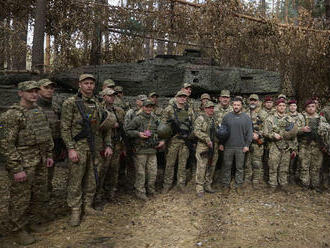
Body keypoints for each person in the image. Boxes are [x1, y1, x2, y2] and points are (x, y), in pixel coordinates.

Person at [3, 81, 54, 245]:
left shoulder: (38, 111)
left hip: (40, 159)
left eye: (35, 91)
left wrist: (49, 154)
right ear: (20, 93)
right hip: (23, 163)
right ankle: (17, 229)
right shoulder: (11, 115)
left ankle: (32, 222)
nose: (34, 94)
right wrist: (17, 168)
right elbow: (6, 144)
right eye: (29, 91)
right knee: (20, 198)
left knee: (38, 193)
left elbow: (46, 135)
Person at [61, 74, 113, 227]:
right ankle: (76, 210)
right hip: (79, 147)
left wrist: (108, 145)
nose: (89, 86)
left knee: (93, 178)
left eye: (91, 83)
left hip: (95, 148)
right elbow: (65, 128)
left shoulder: (97, 104)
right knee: (76, 180)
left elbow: (106, 127)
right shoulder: (71, 103)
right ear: (80, 85)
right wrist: (70, 148)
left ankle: (87, 205)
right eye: (86, 83)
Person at [126, 100, 165, 200]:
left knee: (153, 172)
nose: (149, 109)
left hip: (152, 150)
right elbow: (127, 130)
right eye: (147, 107)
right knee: (141, 173)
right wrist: (138, 134)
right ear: (143, 107)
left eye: (150, 107)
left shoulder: (155, 119)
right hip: (140, 150)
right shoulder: (137, 119)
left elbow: (162, 130)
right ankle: (140, 191)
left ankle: (151, 190)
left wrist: (163, 140)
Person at [161, 90, 194, 193]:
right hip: (173, 141)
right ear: (176, 97)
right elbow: (163, 126)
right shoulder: (169, 110)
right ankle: (167, 185)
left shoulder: (189, 110)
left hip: (185, 141)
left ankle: (181, 184)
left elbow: (192, 125)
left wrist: (191, 138)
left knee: (182, 164)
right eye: (180, 96)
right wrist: (164, 139)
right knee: (170, 164)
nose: (183, 98)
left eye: (184, 97)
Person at [219, 97, 253, 195]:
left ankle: (239, 185)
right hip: (228, 146)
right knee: (226, 167)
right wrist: (221, 143)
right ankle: (226, 185)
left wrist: (247, 145)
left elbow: (250, 133)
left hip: (241, 147)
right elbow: (222, 132)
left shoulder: (246, 118)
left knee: (239, 167)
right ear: (232, 105)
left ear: (241, 106)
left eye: (238, 105)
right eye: (234, 105)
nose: (236, 107)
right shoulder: (226, 117)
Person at [263, 99, 298, 193]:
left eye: (283, 105)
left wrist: (294, 148)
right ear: (276, 107)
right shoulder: (270, 118)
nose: (282, 107)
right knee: (273, 166)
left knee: (284, 167)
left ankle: (283, 184)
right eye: (280, 105)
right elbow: (265, 132)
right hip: (274, 146)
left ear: (285, 107)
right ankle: (272, 185)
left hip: (287, 146)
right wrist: (273, 135)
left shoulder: (290, 119)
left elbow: (294, 135)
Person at [36, 79, 63, 197]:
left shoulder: (55, 107)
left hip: (54, 146)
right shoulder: (33, 107)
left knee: (50, 172)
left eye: (51, 88)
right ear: (38, 89)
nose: (49, 90)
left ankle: (47, 194)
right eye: (46, 88)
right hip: (37, 148)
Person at [298, 99, 329, 192]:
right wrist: (302, 129)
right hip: (304, 145)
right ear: (305, 108)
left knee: (316, 166)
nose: (311, 108)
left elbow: (327, 131)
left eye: (312, 106)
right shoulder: (301, 117)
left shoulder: (321, 118)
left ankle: (315, 185)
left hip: (317, 146)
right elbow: (295, 130)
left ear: (315, 107)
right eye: (308, 107)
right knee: (304, 166)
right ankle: (305, 184)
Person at [100, 88, 126, 201]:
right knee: (103, 168)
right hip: (103, 144)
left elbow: (123, 127)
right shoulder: (99, 109)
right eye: (109, 95)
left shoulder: (119, 111)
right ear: (104, 96)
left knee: (114, 168)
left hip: (116, 143)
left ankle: (111, 192)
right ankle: (99, 193)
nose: (112, 97)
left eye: (113, 96)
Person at [194, 101, 219, 197]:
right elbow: (196, 131)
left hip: (214, 145)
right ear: (205, 109)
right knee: (201, 166)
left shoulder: (214, 119)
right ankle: (199, 187)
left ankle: (208, 184)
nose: (211, 109)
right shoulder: (200, 119)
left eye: (212, 107)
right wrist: (206, 138)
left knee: (212, 165)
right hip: (203, 146)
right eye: (209, 108)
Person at [244, 94, 266, 189]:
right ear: (249, 101)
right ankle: (247, 179)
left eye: (255, 100)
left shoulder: (263, 113)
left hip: (258, 142)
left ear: (258, 102)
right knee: (247, 162)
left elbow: (267, 128)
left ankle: (256, 180)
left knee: (257, 162)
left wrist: (259, 134)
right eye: (251, 100)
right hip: (246, 142)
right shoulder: (244, 113)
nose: (253, 102)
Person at [287, 99, 304, 184]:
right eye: (290, 105)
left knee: (295, 160)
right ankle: (286, 176)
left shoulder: (301, 116)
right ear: (288, 107)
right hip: (287, 142)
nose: (292, 107)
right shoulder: (286, 116)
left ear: (296, 107)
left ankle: (292, 176)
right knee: (286, 160)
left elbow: (304, 128)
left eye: (294, 105)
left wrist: (297, 130)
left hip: (298, 141)